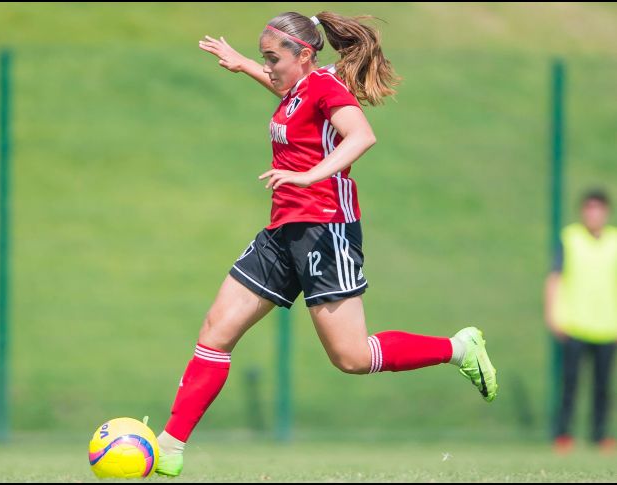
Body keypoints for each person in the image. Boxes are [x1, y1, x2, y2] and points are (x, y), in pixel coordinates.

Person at [154, 11, 498, 477]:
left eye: (272, 58)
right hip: (281, 233)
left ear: (305, 54)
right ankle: (168, 447)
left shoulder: (325, 86)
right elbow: (287, 92)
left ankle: (459, 349)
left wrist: (309, 174)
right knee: (215, 333)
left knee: (351, 358)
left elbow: (362, 135)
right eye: (264, 59)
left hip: (325, 228)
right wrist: (243, 65)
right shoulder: (299, 88)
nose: (269, 66)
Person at [545, 189, 617, 454]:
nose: (593, 214)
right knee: (570, 383)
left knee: (603, 386)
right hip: (574, 323)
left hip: (608, 326)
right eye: (589, 208)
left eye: (598, 209)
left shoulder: (614, 241)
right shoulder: (570, 238)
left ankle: (600, 435)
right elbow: (555, 277)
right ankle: (563, 433)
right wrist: (553, 314)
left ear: (605, 212)